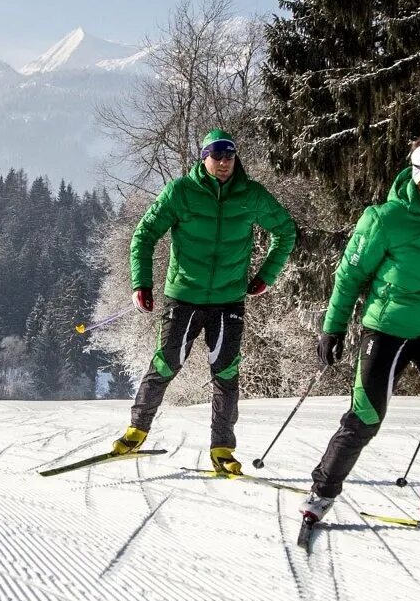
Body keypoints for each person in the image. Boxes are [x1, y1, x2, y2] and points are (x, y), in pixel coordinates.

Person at [302, 136, 420, 527]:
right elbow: (349, 276)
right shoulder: (385, 218)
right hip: (387, 329)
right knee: (366, 416)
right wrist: (332, 328)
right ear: (419, 174)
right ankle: (322, 492)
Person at [111, 129, 297, 474]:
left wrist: (266, 275)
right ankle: (136, 431)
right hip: (183, 299)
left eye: (229, 156)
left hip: (229, 302)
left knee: (226, 375)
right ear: (204, 158)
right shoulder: (180, 192)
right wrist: (142, 283)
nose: (224, 163)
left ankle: (222, 449)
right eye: (217, 156)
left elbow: (286, 230)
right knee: (165, 365)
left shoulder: (251, 195)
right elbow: (144, 235)